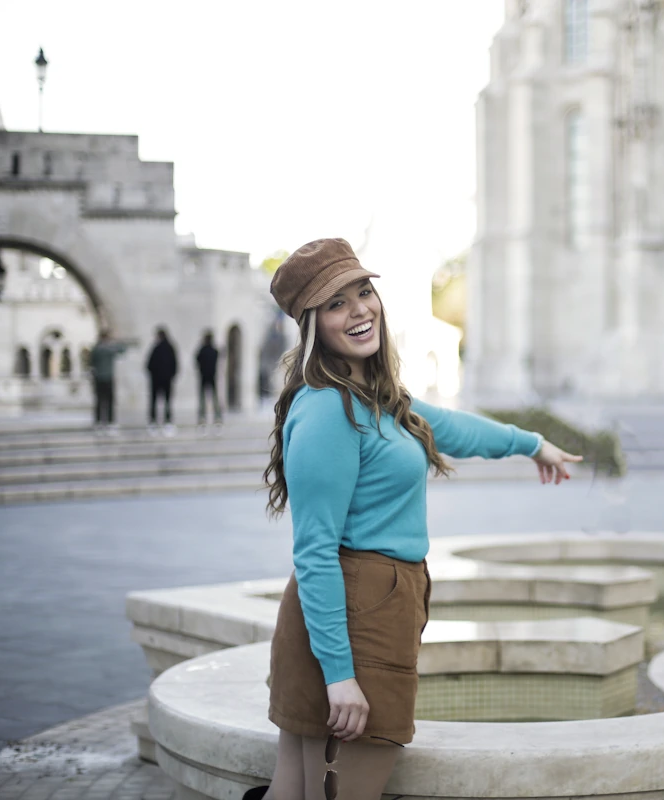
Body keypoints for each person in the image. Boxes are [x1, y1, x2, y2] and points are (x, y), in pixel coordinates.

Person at [250, 239, 581, 800]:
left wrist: (531, 444)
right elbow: (314, 550)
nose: (360, 310)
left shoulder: (375, 397)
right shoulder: (330, 407)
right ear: (311, 325)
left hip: (361, 609)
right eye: (336, 303)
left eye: (363, 292)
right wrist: (340, 675)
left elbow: (450, 426)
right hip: (354, 619)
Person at [88, 329, 132, 434]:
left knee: (99, 401)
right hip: (108, 378)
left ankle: (98, 422)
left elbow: (91, 362)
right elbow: (123, 349)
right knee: (110, 401)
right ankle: (110, 422)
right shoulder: (109, 349)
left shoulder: (96, 349)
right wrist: (116, 340)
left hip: (98, 378)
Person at [146, 327, 178, 434]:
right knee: (167, 401)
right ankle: (167, 421)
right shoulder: (170, 348)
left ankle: (153, 422)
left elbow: (149, 365)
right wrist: (171, 376)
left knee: (155, 401)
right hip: (167, 380)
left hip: (156, 380)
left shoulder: (156, 348)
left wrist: (154, 374)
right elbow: (175, 365)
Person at [196, 330, 222, 427]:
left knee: (203, 398)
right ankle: (217, 417)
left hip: (205, 376)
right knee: (213, 398)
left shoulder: (203, 350)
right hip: (212, 376)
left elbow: (197, 360)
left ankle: (202, 417)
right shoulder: (214, 350)